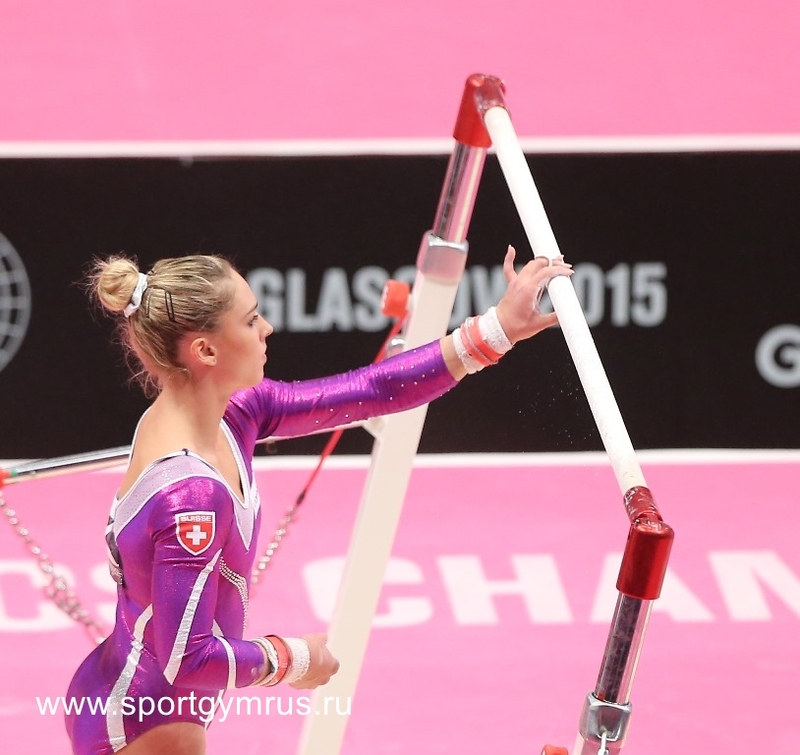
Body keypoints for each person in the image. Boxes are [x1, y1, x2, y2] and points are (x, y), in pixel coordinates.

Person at [65, 246, 572, 755]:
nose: (267, 329)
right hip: (146, 722)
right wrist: (293, 659)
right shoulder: (192, 498)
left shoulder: (229, 413)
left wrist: (498, 328)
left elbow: (373, 389)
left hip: (141, 694)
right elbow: (187, 660)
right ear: (206, 352)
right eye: (251, 320)